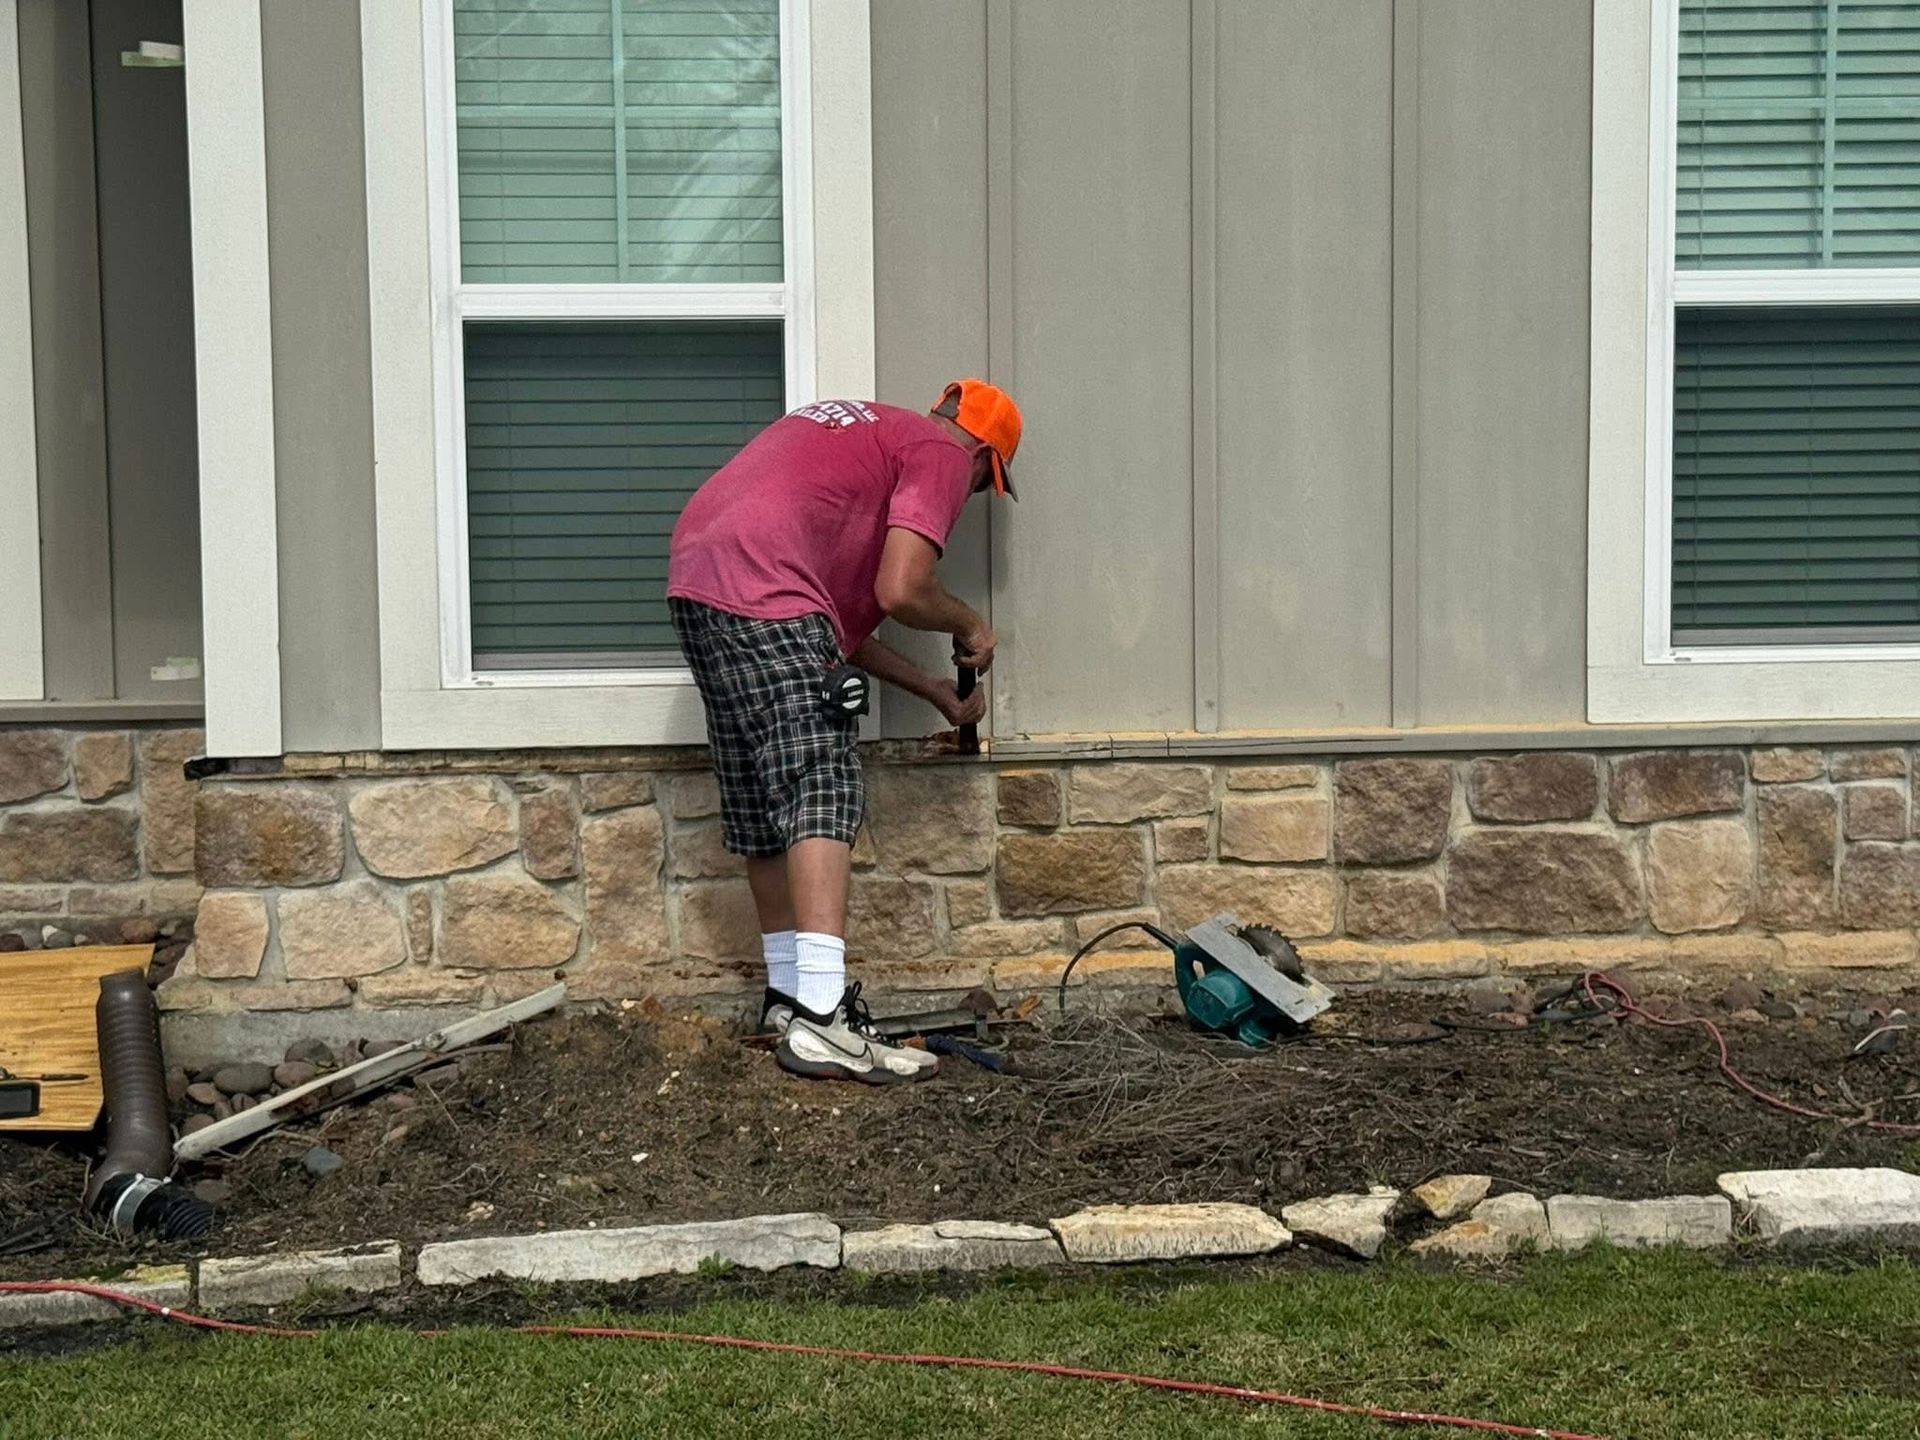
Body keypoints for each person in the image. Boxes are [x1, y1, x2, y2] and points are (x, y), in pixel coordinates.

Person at [666, 379, 1022, 1084]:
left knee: (764, 798)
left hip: (697, 580)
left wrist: (933, 692)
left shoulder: (865, 436)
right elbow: (902, 589)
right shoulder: (942, 453)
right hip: (767, 587)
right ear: (983, 456)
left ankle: (787, 1000)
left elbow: (832, 636)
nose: (969, 495)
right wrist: (971, 624)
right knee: (822, 783)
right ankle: (824, 1015)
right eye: (984, 485)